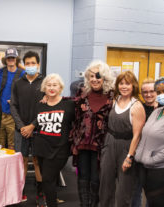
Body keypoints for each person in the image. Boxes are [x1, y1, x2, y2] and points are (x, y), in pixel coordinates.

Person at [70, 60, 114, 207]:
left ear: (105, 77)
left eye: (98, 76)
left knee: (96, 178)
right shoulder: (82, 93)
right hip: (82, 143)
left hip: (102, 145)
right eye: (91, 76)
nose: (94, 79)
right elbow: (70, 106)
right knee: (82, 177)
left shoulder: (112, 96)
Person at [99, 71, 146, 207]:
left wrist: (129, 157)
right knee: (105, 184)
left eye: (127, 84)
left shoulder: (137, 106)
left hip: (126, 146)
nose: (124, 87)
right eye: (121, 83)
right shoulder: (115, 100)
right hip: (110, 142)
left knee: (123, 190)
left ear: (133, 86)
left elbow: (137, 135)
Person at [35, 73, 75, 207]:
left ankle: (51, 204)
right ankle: (50, 203)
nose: (51, 88)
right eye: (49, 85)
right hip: (42, 148)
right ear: (44, 88)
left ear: (60, 87)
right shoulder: (40, 105)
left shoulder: (69, 105)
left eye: (54, 85)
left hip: (60, 149)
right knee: (48, 180)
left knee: (47, 179)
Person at [10, 51, 44, 203]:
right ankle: (20, 192)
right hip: (21, 130)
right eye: (28, 63)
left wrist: (32, 125)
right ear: (24, 65)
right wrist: (22, 126)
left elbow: (46, 108)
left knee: (37, 160)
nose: (30, 66)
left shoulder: (44, 83)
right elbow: (13, 106)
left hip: (38, 129)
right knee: (21, 160)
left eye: (33, 63)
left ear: (38, 64)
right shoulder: (18, 83)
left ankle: (41, 194)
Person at [134, 77, 164, 207]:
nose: (149, 95)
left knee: (156, 199)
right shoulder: (154, 111)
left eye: (153, 91)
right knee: (144, 196)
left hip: (158, 165)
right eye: (145, 92)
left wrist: (152, 159)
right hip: (142, 162)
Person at [0, 48, 25, 149]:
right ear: (6, 60)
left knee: (12, 145)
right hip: (0, 114)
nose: (11, 60)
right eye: (9, 58)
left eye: (13, 58)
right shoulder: (1, 72)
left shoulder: (22, 74)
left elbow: (25, 92)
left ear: (16, 59)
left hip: (13, 115)